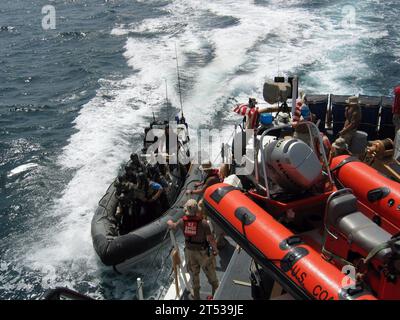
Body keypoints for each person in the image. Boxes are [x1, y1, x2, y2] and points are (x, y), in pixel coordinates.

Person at [167, 199, 219, 300]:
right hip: (203, 253)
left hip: (190, 253)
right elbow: (211, 239)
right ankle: (215, 296)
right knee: (212, 278)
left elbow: (173, 226)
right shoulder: (203, 223)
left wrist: (169, 222)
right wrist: (215, 249)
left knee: (194, 277)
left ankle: (197, 298)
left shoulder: (182, 221)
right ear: (196, 210)